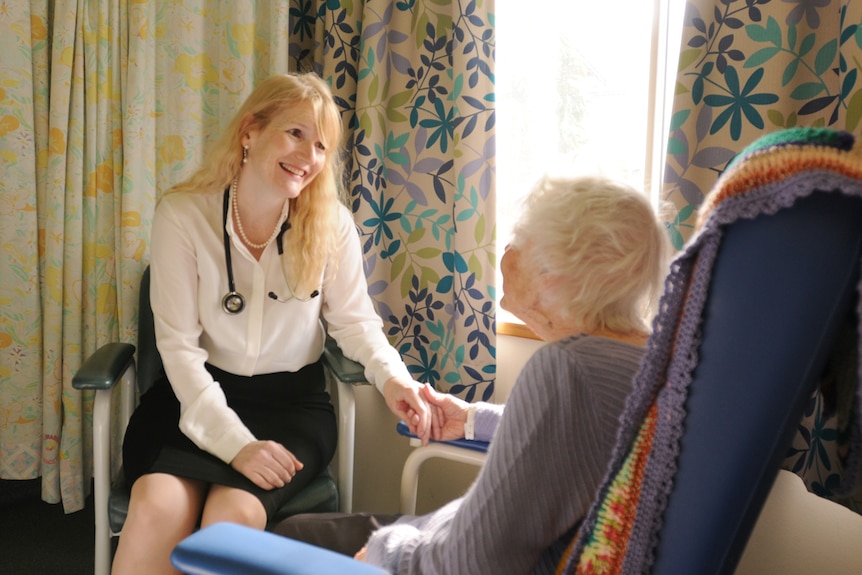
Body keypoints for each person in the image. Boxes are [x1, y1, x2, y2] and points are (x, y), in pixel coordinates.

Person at [112, 72, 433, 574]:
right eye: (295, 133)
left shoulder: (332, 226)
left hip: (291, 409)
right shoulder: (182, 215)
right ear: (250, 132)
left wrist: (394, 379)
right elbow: (177, 349)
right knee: (157, 503)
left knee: (231, 517)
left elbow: (356, 323)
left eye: (322, 145)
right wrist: (236, 445)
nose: (308, 157)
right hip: (191, 400)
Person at [274, 174, 671, 574]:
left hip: (440, 556)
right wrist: (471, 420)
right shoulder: (647, 359)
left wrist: (384, 552)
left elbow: (471, 561)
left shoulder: (568, 372)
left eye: (524, 237)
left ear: (557, 278)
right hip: (460, 539)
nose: (509, 250)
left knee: (292, 538)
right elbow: (569, 440)